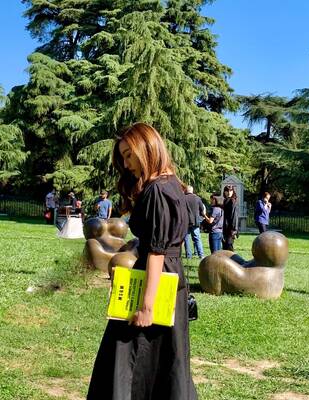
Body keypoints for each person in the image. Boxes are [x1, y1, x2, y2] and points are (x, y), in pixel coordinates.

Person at [87, 122, 197, 400]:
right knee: (163, 360)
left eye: (129, 155)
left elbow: (157, 252)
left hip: (156, 280)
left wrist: (147, 306)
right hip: (167, 279)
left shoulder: (158, 190)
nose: (126, 164)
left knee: (128, 356)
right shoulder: (171, 183)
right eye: (123, 157)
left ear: (146, 148)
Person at [183, 185, 205, 259]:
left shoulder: (183, 198)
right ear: (192, 191)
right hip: (195, 221)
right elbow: (202, 209)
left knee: (186, 239)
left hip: (186, 222)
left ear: (186, 190)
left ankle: (188, 255)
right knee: (197, 239)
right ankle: (201, 255)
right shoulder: (197, 198)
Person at [222, 185, 239, 251]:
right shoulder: (225, 200)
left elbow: (235, 216)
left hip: (231, 228)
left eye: (231, 190)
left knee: (229, 245)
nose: (229, 192)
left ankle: (234, 258)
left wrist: (234, 229)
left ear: (233, 191)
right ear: (224, 192)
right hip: (225, 227)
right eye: (227, 191)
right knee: (225, 246)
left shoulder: (233, 201)